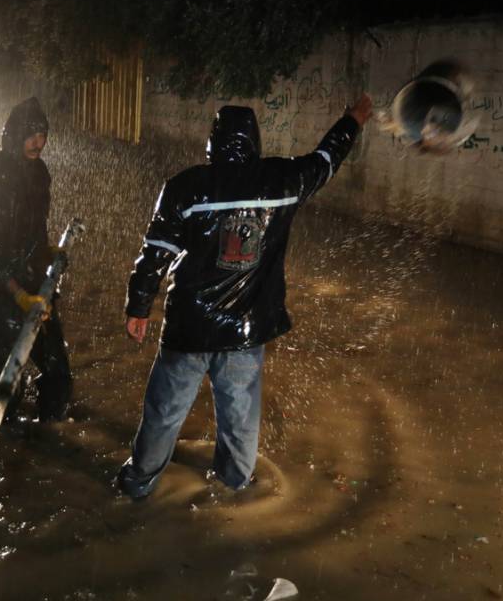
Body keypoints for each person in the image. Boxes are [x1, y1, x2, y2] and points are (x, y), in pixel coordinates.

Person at [116, 94, 373, 499]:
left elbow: (155, 254)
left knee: (163, 416)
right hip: (244, 332)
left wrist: (138, 306)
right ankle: (235, 494)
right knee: (240, 424)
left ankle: (135, 486)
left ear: (212, 143)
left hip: (188, 328)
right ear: (255, 141)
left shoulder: (185, 187)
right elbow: (327, 159)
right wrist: (353, 118)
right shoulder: (283, 181)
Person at [0, 97, 72, 420]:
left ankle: (49, 441)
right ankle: (6, 452)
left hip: (32, 285)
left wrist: (47, 252)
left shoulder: (38, 172)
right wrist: (18, 294)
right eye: (31, 134)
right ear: (14, 135)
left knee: (57, 371)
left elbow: (33, 229)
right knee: (9, 383)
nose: (39, 142)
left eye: (43, 134)